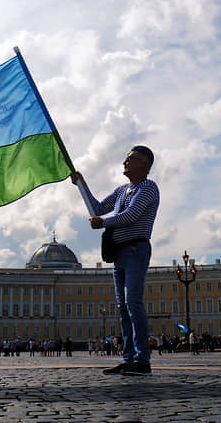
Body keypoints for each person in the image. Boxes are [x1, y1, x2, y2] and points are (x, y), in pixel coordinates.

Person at [71, 145, 160, 377]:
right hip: (119, 254)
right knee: (123, 308)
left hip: (135, 251)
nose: (125, 162)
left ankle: (143, 360)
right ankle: (129, 358)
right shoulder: (122, 190)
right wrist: (82, 184)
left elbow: (130, 215)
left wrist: (102, 222)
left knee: (133, 303)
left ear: (145, 164)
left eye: (131, 158)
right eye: (126, 158)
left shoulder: (149, 187)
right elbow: (98, 208)